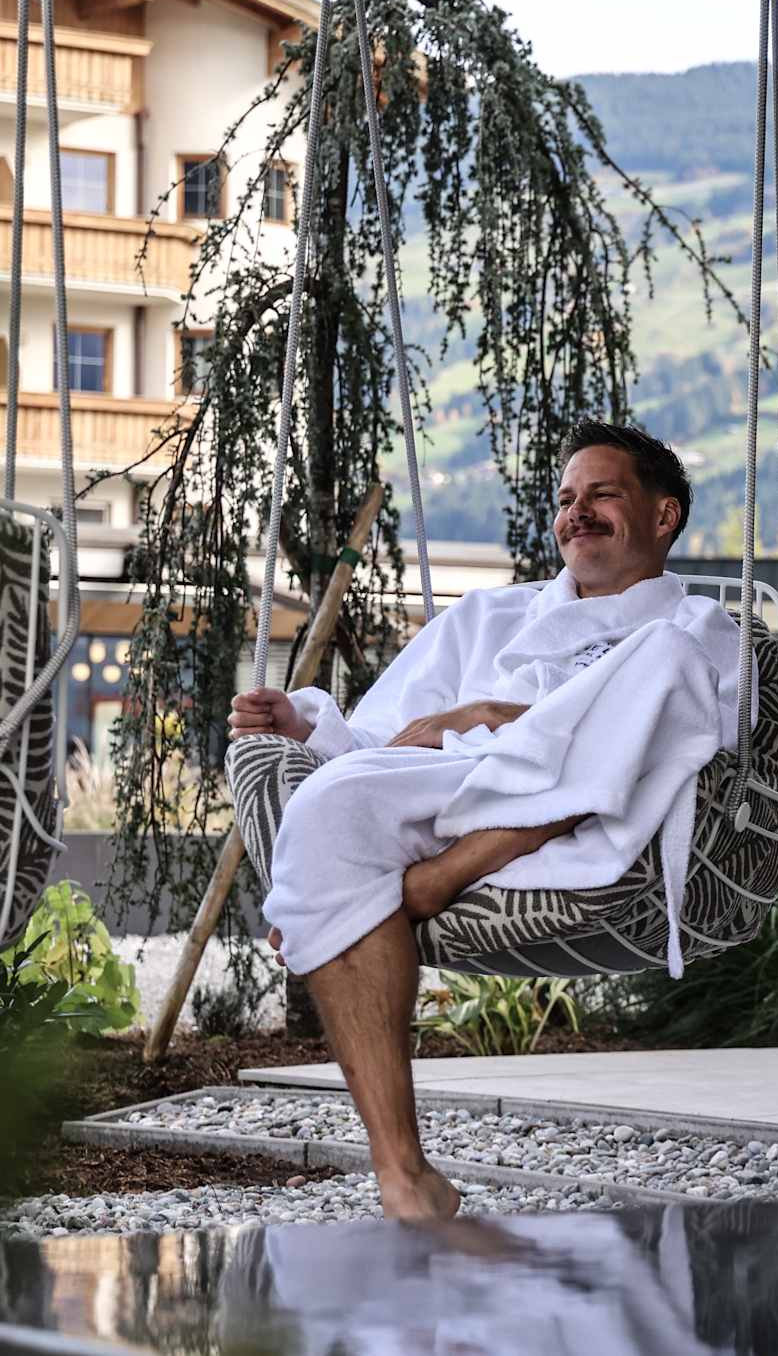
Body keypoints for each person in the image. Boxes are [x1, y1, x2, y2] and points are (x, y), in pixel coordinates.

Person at [230, 421, 745, 1220]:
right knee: (330, 804)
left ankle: (437, 874)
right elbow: (384, 742)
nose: (576, 513)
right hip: (453, 787)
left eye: (603, 495)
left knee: (668, 661)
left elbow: (703, 748)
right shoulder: (486, 617)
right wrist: (302, 723)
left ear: (663, 515)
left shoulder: (696, 626)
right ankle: (404, 1173)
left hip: (595, 812)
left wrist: (495, 714)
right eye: (566, 499)